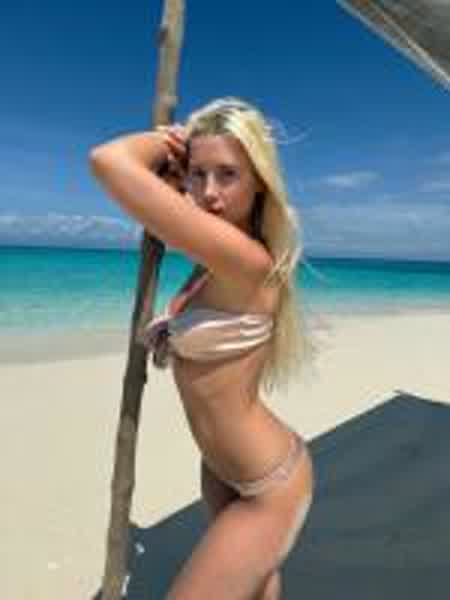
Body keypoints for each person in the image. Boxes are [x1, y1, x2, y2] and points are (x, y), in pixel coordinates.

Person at [90, 97, 317, 600]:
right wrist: (179, 176)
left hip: (268, 485)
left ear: (259, 182)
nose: (210, 192)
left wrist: (165, 142)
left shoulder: (245, 260)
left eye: (228, 175)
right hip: (220, 467)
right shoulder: (211, 264)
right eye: (199, 174)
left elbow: (107, 161)